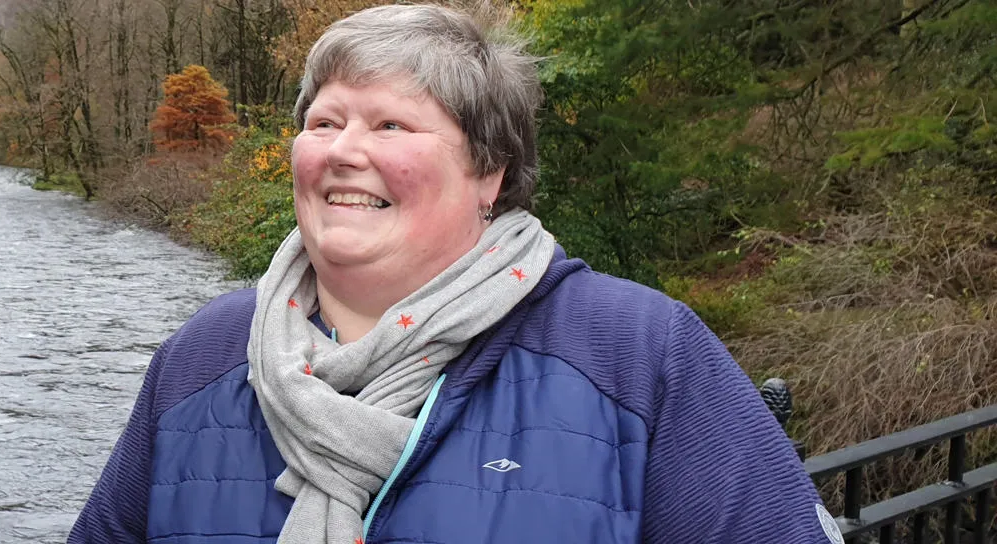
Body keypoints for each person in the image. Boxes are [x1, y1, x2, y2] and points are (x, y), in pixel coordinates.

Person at [69, 4, 840, 543]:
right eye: (324, 122)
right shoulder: (203, 356)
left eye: (391, 124)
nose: (342, 149)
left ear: (489, 173)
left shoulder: (636, 355)